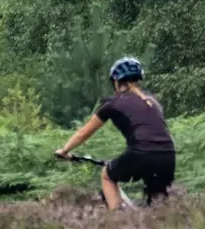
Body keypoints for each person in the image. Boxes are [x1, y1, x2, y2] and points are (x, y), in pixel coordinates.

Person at [54, 56, 175, 209]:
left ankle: (116, 220)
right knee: (158, 207)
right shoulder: (152, 101)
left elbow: (84, 133)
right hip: (168, 155)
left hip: (141, 152)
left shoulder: (113, 104)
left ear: (116, 82)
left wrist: (64, 151)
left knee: (107, 175)